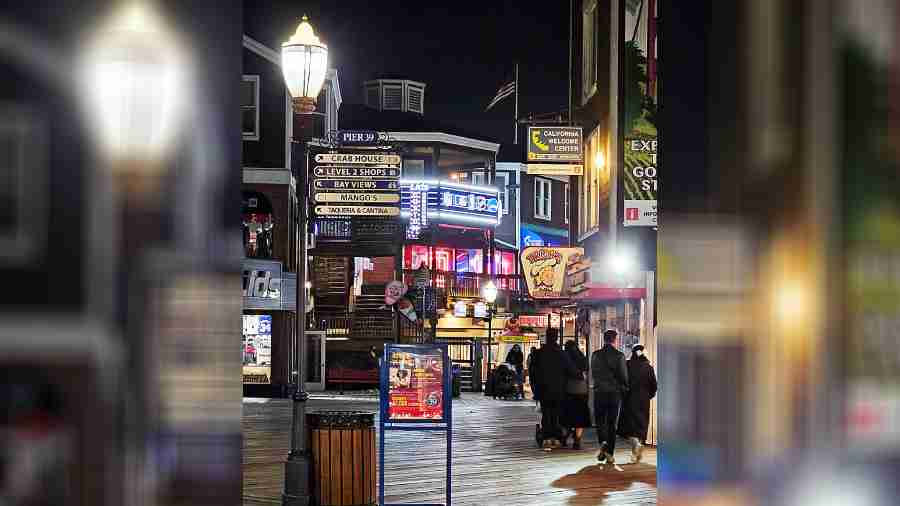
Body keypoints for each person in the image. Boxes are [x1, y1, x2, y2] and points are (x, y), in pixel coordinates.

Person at [535, 328, 578, 451]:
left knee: (546, 412)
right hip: (559, 389)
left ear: (546, 337)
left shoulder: (539, 353)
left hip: (543, 389)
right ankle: (556, 435)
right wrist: (580, 375)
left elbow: (533, 373)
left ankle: (547, 435)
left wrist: (535, 389)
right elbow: (571, 369)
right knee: (556, 413)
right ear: (557, 337)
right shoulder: (561, 353)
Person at [591, 329, 629, 466]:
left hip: (599, 392)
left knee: (600, 421)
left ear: (604, 339)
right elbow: (624, 376)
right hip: (614, 393)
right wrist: (625, 388)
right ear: (615, 340)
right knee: (612, 423)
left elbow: (593, 373)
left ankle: (603, 442)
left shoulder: (595, 355)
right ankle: (610, 454)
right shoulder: (619, 356)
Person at [618, 345, 657, 463]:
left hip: (629, 399)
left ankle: (635, 444)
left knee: (627, 427)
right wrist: (648, 396)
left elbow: (622, 381)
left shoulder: (627, 365)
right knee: (641, 426)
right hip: (644, 401)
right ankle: (637, 448)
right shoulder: (648, 367)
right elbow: (654, 386)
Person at [561, 340, 591, 450]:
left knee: (567, 415)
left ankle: (564, 436)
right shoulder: (582, 358)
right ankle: (577, 440)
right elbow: (586, 372)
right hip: (581, 391)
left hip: (567, 390)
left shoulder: (564, 358)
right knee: (580, 417)